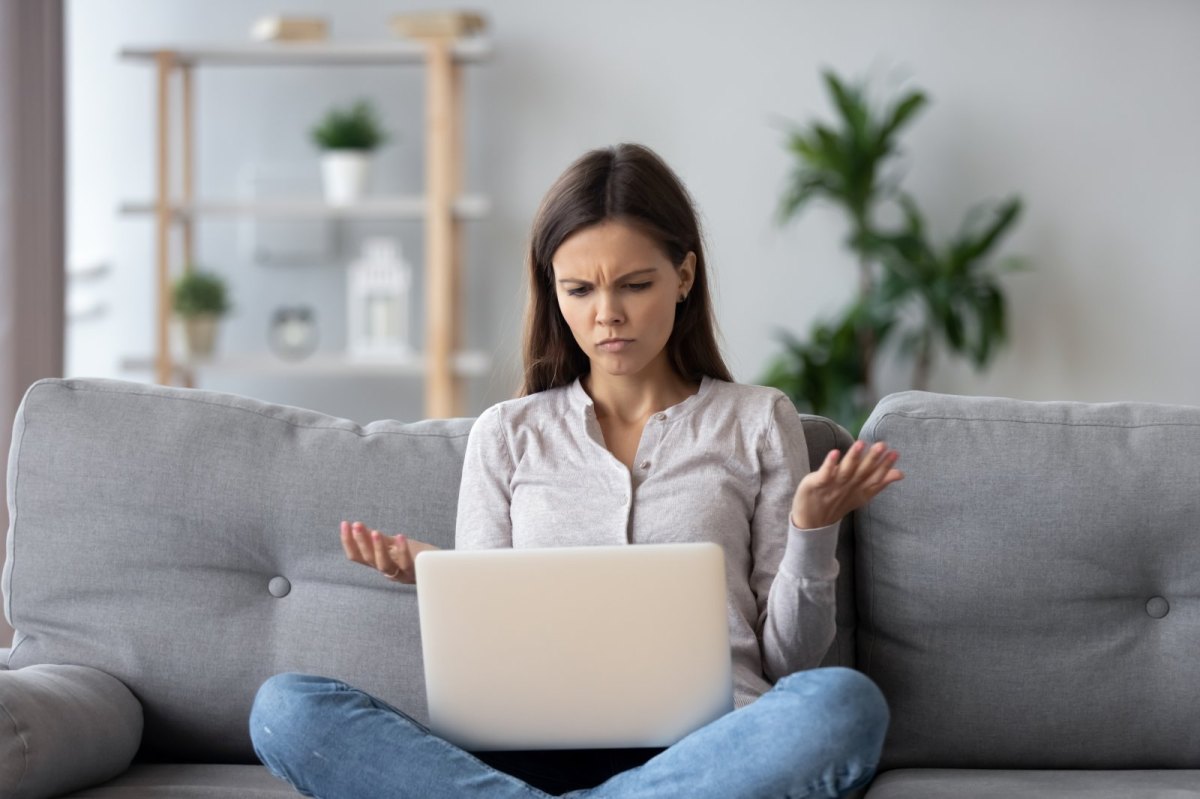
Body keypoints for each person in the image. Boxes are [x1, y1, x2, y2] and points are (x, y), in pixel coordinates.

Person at [250, 142, 903, 799]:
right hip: (528, 753)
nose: (606, 314)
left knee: (845, 703)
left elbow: (787, 662)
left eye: (635, 284)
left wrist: (811, 532)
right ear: (552, 290)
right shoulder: (506, 434)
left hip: (708, 749)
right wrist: (444, 577)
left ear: (684, 276)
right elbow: (486, 671)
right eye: (579, 289)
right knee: (286, 709)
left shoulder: (758, 420)